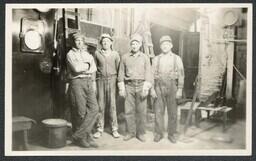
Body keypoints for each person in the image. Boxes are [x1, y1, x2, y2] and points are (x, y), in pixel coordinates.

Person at [66, 32, 99, 148]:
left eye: (81, 40)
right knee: (80, 112)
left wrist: (85, 67)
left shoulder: (87, 54)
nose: (79, 42)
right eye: (77, 40)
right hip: (77, 82)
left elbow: (93, 69)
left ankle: (78, 135)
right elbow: (76, 69)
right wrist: (87, 66)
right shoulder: (70, 54)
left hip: (89, 82)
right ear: (74, 42)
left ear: (83, 42)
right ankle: (84, 138)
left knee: (95, 109)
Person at [118, 34, 152, 142]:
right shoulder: (125, 57)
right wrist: (121, 88)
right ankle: (130, 132)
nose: (134, 45)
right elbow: (121, 72)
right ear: (130, 45)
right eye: (132, 43)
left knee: (141, 111)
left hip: (141, 85)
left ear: (140, 45)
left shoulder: (145, 58)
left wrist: (146, 88)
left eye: (136, 43)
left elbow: (148, 73)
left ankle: (141, 133)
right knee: (128, 111)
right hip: (129, 86)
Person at [150, 35, 184, 143]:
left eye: (167, 44)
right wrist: (152, 89)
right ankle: (158, 133)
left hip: (172, 87)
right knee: (158, 112)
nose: (165, 46)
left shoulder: (177, 58)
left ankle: (172, 134)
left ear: (171, 45)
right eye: (163, 44)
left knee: (172, 112)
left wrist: (180, 89)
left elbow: (181, 74)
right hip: (158, 87)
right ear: (160, 46)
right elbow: (151, 75)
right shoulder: (156, 59)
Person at [93, 33, 121, 139]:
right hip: (100, 80)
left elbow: (119, 69)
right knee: (100, 105)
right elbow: (94, 69)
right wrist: (94, 82)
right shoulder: (97, 53)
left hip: (112, 80)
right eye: (103, 41)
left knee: (112, 105)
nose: (105, 43)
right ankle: (99, 129)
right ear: (101, 43)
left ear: (111, 43)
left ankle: (114, 129)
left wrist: (119, 83)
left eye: (107, 41)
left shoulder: (115, 54)